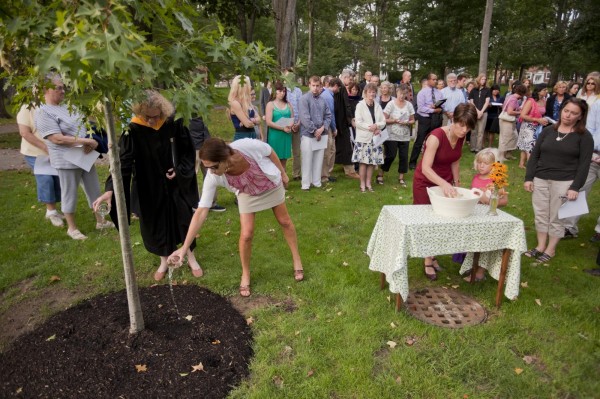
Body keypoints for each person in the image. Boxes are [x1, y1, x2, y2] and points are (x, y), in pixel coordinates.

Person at [167, 138, 304, 297]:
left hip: (270, 185)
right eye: (207, 168)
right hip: (246, 192)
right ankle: (245, 273)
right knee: (246, 234)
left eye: (213, 167)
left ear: (224, 158)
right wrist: (184, 249)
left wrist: (282, 173)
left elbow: (269, 151)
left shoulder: (245, 147)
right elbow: (201, 211)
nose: (211, 171)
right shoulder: (214, 176)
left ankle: (297, 260)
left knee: (285, 221)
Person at [93, 90, 203, 280]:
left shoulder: (172, 123)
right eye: (147, 117)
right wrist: (111, 189)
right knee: (154, 222)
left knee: (182, 218)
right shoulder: (133, 130)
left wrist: (178, 170)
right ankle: (164, 260)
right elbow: (123, 162)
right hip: (147, 185)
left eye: (155, 116)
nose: (152, 121)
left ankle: (190, 256)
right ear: (139, 112)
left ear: (162, 110)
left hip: (173, 183)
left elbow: (187, 150)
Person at [36, 72, 111, 240]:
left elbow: (84, 126)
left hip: (85, 155)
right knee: (70, 193)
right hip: (66, 160)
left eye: (63, 88)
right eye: (59, 88)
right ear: (45, 89)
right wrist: (85, 141)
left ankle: (101, 221)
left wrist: (92, 141)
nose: (63, 91)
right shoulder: (43, 112)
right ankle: (72, 228)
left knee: (94, 190)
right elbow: (56, 138)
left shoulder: (68, 106)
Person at [413, 103, 478, 280]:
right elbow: (426, 168)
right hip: (425, 182)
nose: (465, 130)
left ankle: (433, 255)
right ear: (453, 120)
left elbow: (455, 161)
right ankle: (427, 259)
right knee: (428, 222)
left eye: (469, 126)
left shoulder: (461, 137)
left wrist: (456, 184)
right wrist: (444, 184)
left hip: (445, 183)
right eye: (462, 125)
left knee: (441, 221)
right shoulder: (435, 137)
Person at [523, 98, 593, 263]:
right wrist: (529, 177)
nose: (568, 115)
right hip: (541, 178)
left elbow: (584, 165)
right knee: (540, 214)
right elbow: (535, 156)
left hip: (565, 182)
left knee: (557, 216)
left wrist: (575, 187)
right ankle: (540, 246)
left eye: (574, 113)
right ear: (561, 110)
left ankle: (551, 249)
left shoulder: (584, 136)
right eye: (566, 111)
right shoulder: (548, 131)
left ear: (580, 116)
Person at [460, 148, 509, 281]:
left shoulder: (496, 180)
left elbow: (504, 201)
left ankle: (480, 272)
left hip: (488, 216)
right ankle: (471, 265)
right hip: (475, 214)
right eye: (480, 162)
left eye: (485, 163)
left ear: (494, 165)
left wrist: (488, 200)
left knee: (484, 244)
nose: (481, 165)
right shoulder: (476, 178)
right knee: (473, 241)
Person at [17, 104, 64, 227]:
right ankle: (51, 212)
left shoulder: (53, 106)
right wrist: (45, 147)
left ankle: (54, 209)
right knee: (46, 179)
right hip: (35, 153)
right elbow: (25, 133)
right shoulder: (28, 107)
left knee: (56, 179)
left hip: (54, 151)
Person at [563, 99, 600, 241]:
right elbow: (589, 128)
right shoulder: (598, 104)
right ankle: (568, 227)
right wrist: (589, 151)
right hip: (593, 155)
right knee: (578, 189)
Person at [377, 84, 414, 187]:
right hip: (391, 135)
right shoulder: (391, 104)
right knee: (390, 155)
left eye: (404, 94)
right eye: (400, 93)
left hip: (404, 135)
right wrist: (394, 120)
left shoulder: (409, 105)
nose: (402, 96)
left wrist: (407, 122)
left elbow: (413, 120)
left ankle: (401, 177)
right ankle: (380, 174)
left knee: (403, 156)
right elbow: (383, 119)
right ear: (396, 93)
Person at [298, 76, 332, 191]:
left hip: (321, 134)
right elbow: (304, 118)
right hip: (308, 134)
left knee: (319, 159)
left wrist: (323, 128)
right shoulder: (304, 99)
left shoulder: (323, 100)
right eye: (313, 85)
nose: (315, 88)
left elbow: (328, 115)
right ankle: (306, 184)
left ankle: (316, 181)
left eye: (318, 86)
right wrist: (314, 130)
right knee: (307, 159)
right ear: (309, 85)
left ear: (321, 86)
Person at [353, 82, 386, 192]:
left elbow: (383, 121)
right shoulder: (360, 105)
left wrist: (377, 126)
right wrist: (370, 127)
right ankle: (362, 184)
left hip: (375, 138)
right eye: (370, 92)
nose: (372, 94)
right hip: (363, 138)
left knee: (372, 162)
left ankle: (368, 183)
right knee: (363, 162)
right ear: (365, 93)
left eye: (373, 92)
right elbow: (358, 122)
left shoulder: (377, 105)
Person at [188, 116, 226, 212]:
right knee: (193, 176)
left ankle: (211, 203)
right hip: (192, 146)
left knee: (211, 173)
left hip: (205, 145)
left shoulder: (201, 105)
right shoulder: (184, 105)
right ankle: (195, 204)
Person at [408, 73, 443, 169]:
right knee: (420, 141)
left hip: (436, 119)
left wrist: (439, 108)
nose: (435, 81)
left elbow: (442, 104)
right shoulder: (422, 93)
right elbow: (420, 108)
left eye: (436, 79)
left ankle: (432, 162)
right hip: (425, 119)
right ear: (428, 80)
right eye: (433, 79)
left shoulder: (438, 92)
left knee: (435, 141)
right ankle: (412, 162)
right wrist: (432, 109)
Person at [335, 69, 360, 179]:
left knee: (343, 147)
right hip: (342, 123)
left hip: (341, 123)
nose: (351, 82)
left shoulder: (340, 89)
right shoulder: (341, 89)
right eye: (350, 79)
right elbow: (345, 107)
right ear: (345, 78)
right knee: (346, 147)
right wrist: (350, 120)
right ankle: (349, 170)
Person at [517, 83, 549, 168]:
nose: (546, 91)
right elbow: (522, 115)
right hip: (528, 126)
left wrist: (543, 120)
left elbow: (542, 114)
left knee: (527, 146)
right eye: (544, 90)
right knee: (530, 146)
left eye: (546, 90)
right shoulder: (531, 101)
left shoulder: (544, 101)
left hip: (538, 126)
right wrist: (537, 119)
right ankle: (531, 166)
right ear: (538, 91)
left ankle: (521, 164)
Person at [266, 81, 294, 173]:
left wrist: (291, 126)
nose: (282, 93)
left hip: (286, 135)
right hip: (275, 135)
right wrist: (282, 128)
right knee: (274, 161)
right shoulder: (270, 104)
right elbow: (268, 122)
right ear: (275, 91)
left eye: (284, 91)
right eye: (280, 91)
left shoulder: (288, 104)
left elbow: (292, 118)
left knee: (283, 160)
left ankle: (283, 182)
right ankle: (275, 183)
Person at [498, 84, 527, 161]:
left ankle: (508, 154)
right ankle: (501, 156)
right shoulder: (513, 99)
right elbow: (510, 111)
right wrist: (520, 112)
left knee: (513, 137)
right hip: (507, 121)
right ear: (522, 93)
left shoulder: (510, 97)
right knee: (505, 139)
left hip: (508, 121)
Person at [228, 75, 261, 141]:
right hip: (242, 137)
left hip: (252, 136)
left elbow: (259, 120)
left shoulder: (247, 101)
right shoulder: (235, 103)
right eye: (249, 84)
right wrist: (254, 121)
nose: (250, 86)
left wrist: (251, 120)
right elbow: (247, 124)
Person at [320, 78, 340, 183]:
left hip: (326, 126)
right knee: (328, 151)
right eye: (339, 87)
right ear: (335, 85)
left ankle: (327, 173)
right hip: (327, 127)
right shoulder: (328, 96)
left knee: (332, 150)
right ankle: (324, 175)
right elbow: (330, 114)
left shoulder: (327, 95)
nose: (339, 90)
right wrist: (334, 128)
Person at [468, 73, 491, 153]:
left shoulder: (487, 90)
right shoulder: (473, 90)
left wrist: (481, 112)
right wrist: (477, 111)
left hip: (483, 113)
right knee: (473, 131)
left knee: (481, 131)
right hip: (474, 112)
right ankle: (473, 147)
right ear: (479, 79)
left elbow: (487, 102)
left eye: (485, 79)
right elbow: (471, 102)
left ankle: (478, 148)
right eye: (482, 79)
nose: (484, 81)